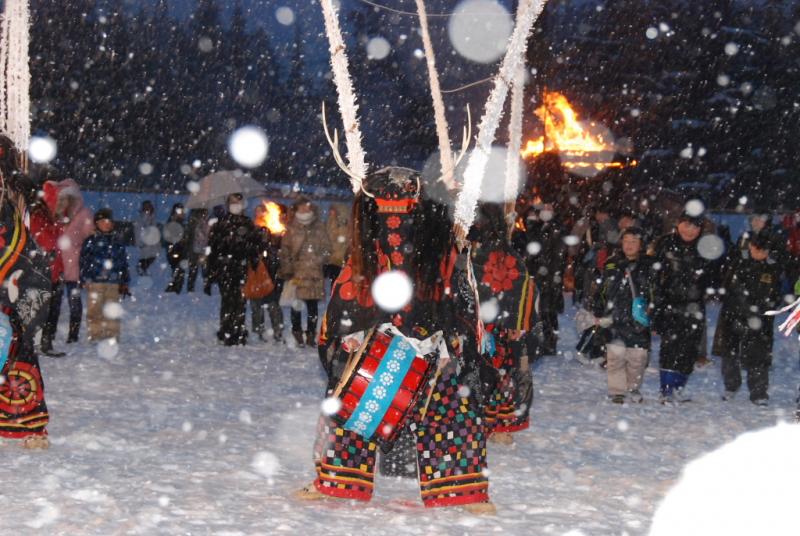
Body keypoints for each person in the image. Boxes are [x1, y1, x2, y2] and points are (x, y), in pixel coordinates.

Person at [296, 167, 493, 514]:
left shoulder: (439, 249)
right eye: (386, 211)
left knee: (451, 414)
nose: (395, 225)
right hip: (378, 343)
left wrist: (451, 343)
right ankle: (336, 480)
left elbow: (455, 299)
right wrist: (351, 335)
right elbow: (350, 295)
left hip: (432, 344)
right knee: (348, 408)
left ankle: (465, 491)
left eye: (404, 211)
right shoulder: (366, 251)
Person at [0, 134, 54, 448]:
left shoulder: (12, 225)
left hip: (9, 307)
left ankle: (25, 424)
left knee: (16, 348)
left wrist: (24, 316)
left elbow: (38, 275)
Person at [470, 203, 536, 444]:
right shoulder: (506, 253)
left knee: (490, 377)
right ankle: (496, 427)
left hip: (490, 328)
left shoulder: (485, 255)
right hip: (493, 328)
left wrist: (513, 323)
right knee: (497, 378)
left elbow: (521, 289)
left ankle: (491, 427)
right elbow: (523, 288)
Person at [652, 211, 714, 402]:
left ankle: (678, 387)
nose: (690, 231)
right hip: (668, 302)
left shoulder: (705, 247)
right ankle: (667, 389)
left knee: (690, 348)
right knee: (670, 346)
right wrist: (655, 303)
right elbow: (653, 275)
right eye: (686, 225)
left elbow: (713, 277)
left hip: (694, 306)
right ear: (678, 223)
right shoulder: (664, 243)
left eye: (695, 227)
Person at [715, 234, 782, 406]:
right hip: (734, 314)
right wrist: (741, 308)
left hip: (760, 319)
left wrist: (761, 310)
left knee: (758, 356)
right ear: (750, 246)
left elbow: (774, 294)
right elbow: (728, 287)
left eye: (764, 250)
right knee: (729, 353)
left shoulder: (772, 268)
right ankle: (731, 386)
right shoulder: (739, 262)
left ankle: (758, 392)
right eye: (756, 248)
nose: (759, 253)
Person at [592, 227, 655, 403]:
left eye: (634, 241)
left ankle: (633, 388)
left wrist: (653, 312)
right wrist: (598, 308)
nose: (629, 245)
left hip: (638, 318)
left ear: (641, 245)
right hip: (615, 316)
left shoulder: (648, 265)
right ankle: (617, 391)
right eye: (626, 241)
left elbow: (654, 291)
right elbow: (603, 289)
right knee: (615, 357)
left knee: (638, 358)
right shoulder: (612, 263)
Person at [512, 202, 567, 357]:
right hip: (537, 274)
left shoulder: (557, 229)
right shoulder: (538, 227)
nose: (546, 211)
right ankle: (540, 340)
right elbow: (530, 242)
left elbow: (558, 256)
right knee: (539, 309)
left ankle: (549, 343)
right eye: (544, 209)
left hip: (550, 275)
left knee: (548, 310)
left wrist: (553, 275)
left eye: (550, 209)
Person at [206, 193, 258, 346]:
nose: (236, 205)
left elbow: (254, 247)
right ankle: (227, 330)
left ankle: (239, 330)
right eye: (233, 202)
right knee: (228, 300)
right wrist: (211, 271)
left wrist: (253, 259)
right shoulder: (221, 224)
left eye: (238, 202)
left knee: (240, 301)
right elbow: (213, 249)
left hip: (241, 267)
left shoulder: (247, 223)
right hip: (225, 268)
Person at [278, 197, 330, 348]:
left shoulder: (319, 227)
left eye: (307, 208)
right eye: (301, 209)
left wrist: (319, 258)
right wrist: (288, 270)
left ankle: (311, 335)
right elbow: (285, 251)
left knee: (312, 308)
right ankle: (297, 334)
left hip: (314, 274)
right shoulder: (291, 228)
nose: (304, 211)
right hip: (297, 274)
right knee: (296, 306)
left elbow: (327, 248)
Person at [79, 208, 130, 342]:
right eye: (103, 221)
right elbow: (84, 261)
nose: (107, 224)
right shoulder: (90, 241)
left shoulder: (117, 242)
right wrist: (85, 278)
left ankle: (112, 336)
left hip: (113, 282)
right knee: (94, 312)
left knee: (112, 311)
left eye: (109, 221)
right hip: (95, 282)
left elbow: (123, 262)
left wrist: (124, 281)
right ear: (97, 223)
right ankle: (95, 335)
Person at [55, 179, 95, 343]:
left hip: (74, 266)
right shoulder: (56, 213)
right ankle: (48, 335)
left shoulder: (84, 213)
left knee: (74, 303)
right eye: (62, 197)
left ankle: (73, 335)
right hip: (56, 266)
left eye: (67, 197)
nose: (65, 201)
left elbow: (90, 238)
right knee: (54, 304)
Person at [29, 180, 66, 357]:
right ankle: (32, 344)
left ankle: (46, 342)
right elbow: (47, 242)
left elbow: (63, 245)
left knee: (53, 310)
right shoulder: (38, 216)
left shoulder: (57, 217)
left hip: (55, 272)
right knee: (39, 310)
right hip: (41, 272)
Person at [249, 203, 282, 341]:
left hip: (269, 273)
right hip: (255, 273)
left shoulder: (273, 228)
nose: (259, 214)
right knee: (256, 304)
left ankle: (277, 331)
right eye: (257, 211)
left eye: (261, 211)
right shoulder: (250, 229)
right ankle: (258, 331)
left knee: (273, 304)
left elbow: (277, 251)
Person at [163, 203, 188, 293]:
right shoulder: (172, 222)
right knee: (177, 270)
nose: (181, 213)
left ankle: (176, 288)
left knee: (179, 270)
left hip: (180, 249)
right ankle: (174, 288)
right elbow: (169, 237)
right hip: (174, 249)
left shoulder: (182, 222)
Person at [324, 203, 350, 288]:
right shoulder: (331, 222)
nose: (330, 212)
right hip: (332, 258)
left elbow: (338, 239)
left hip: (337, 259)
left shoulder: (342, 224)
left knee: (336, 281)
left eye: (332, 211)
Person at [133, 200, 159, 276]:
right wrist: (140, 242)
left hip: (151, 245)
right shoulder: (142, 219)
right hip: (145, 244)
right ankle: (142, 269)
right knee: (146, 257)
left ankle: (143, 270)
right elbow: (138, 231)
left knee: (150, 258)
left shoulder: (152, 219)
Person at [186, 208, 209, 292]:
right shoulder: (194, 223)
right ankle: (191, 289)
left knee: (203, 271)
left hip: (203, 249)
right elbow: (189, 235)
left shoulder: (206, 222)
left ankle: (205, 289)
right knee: (194, 271)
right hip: (196, 249)